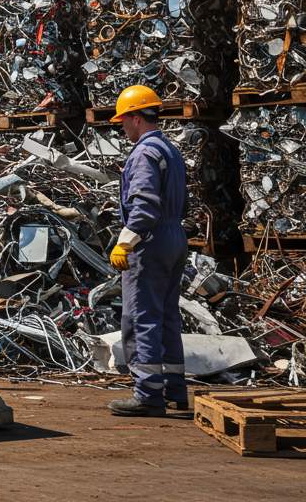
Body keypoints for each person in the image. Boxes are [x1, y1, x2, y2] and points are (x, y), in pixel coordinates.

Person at [106, 85, 190, 417]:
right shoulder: (169, 150)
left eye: (124, 121)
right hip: (173, 237)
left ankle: (147, 395)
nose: (122, 128)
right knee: (168, 317)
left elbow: (143, 206)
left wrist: (125, 241)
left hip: (150, 241)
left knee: (141, 317)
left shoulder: (143, 153)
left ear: (137, 118)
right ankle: (175, 391)